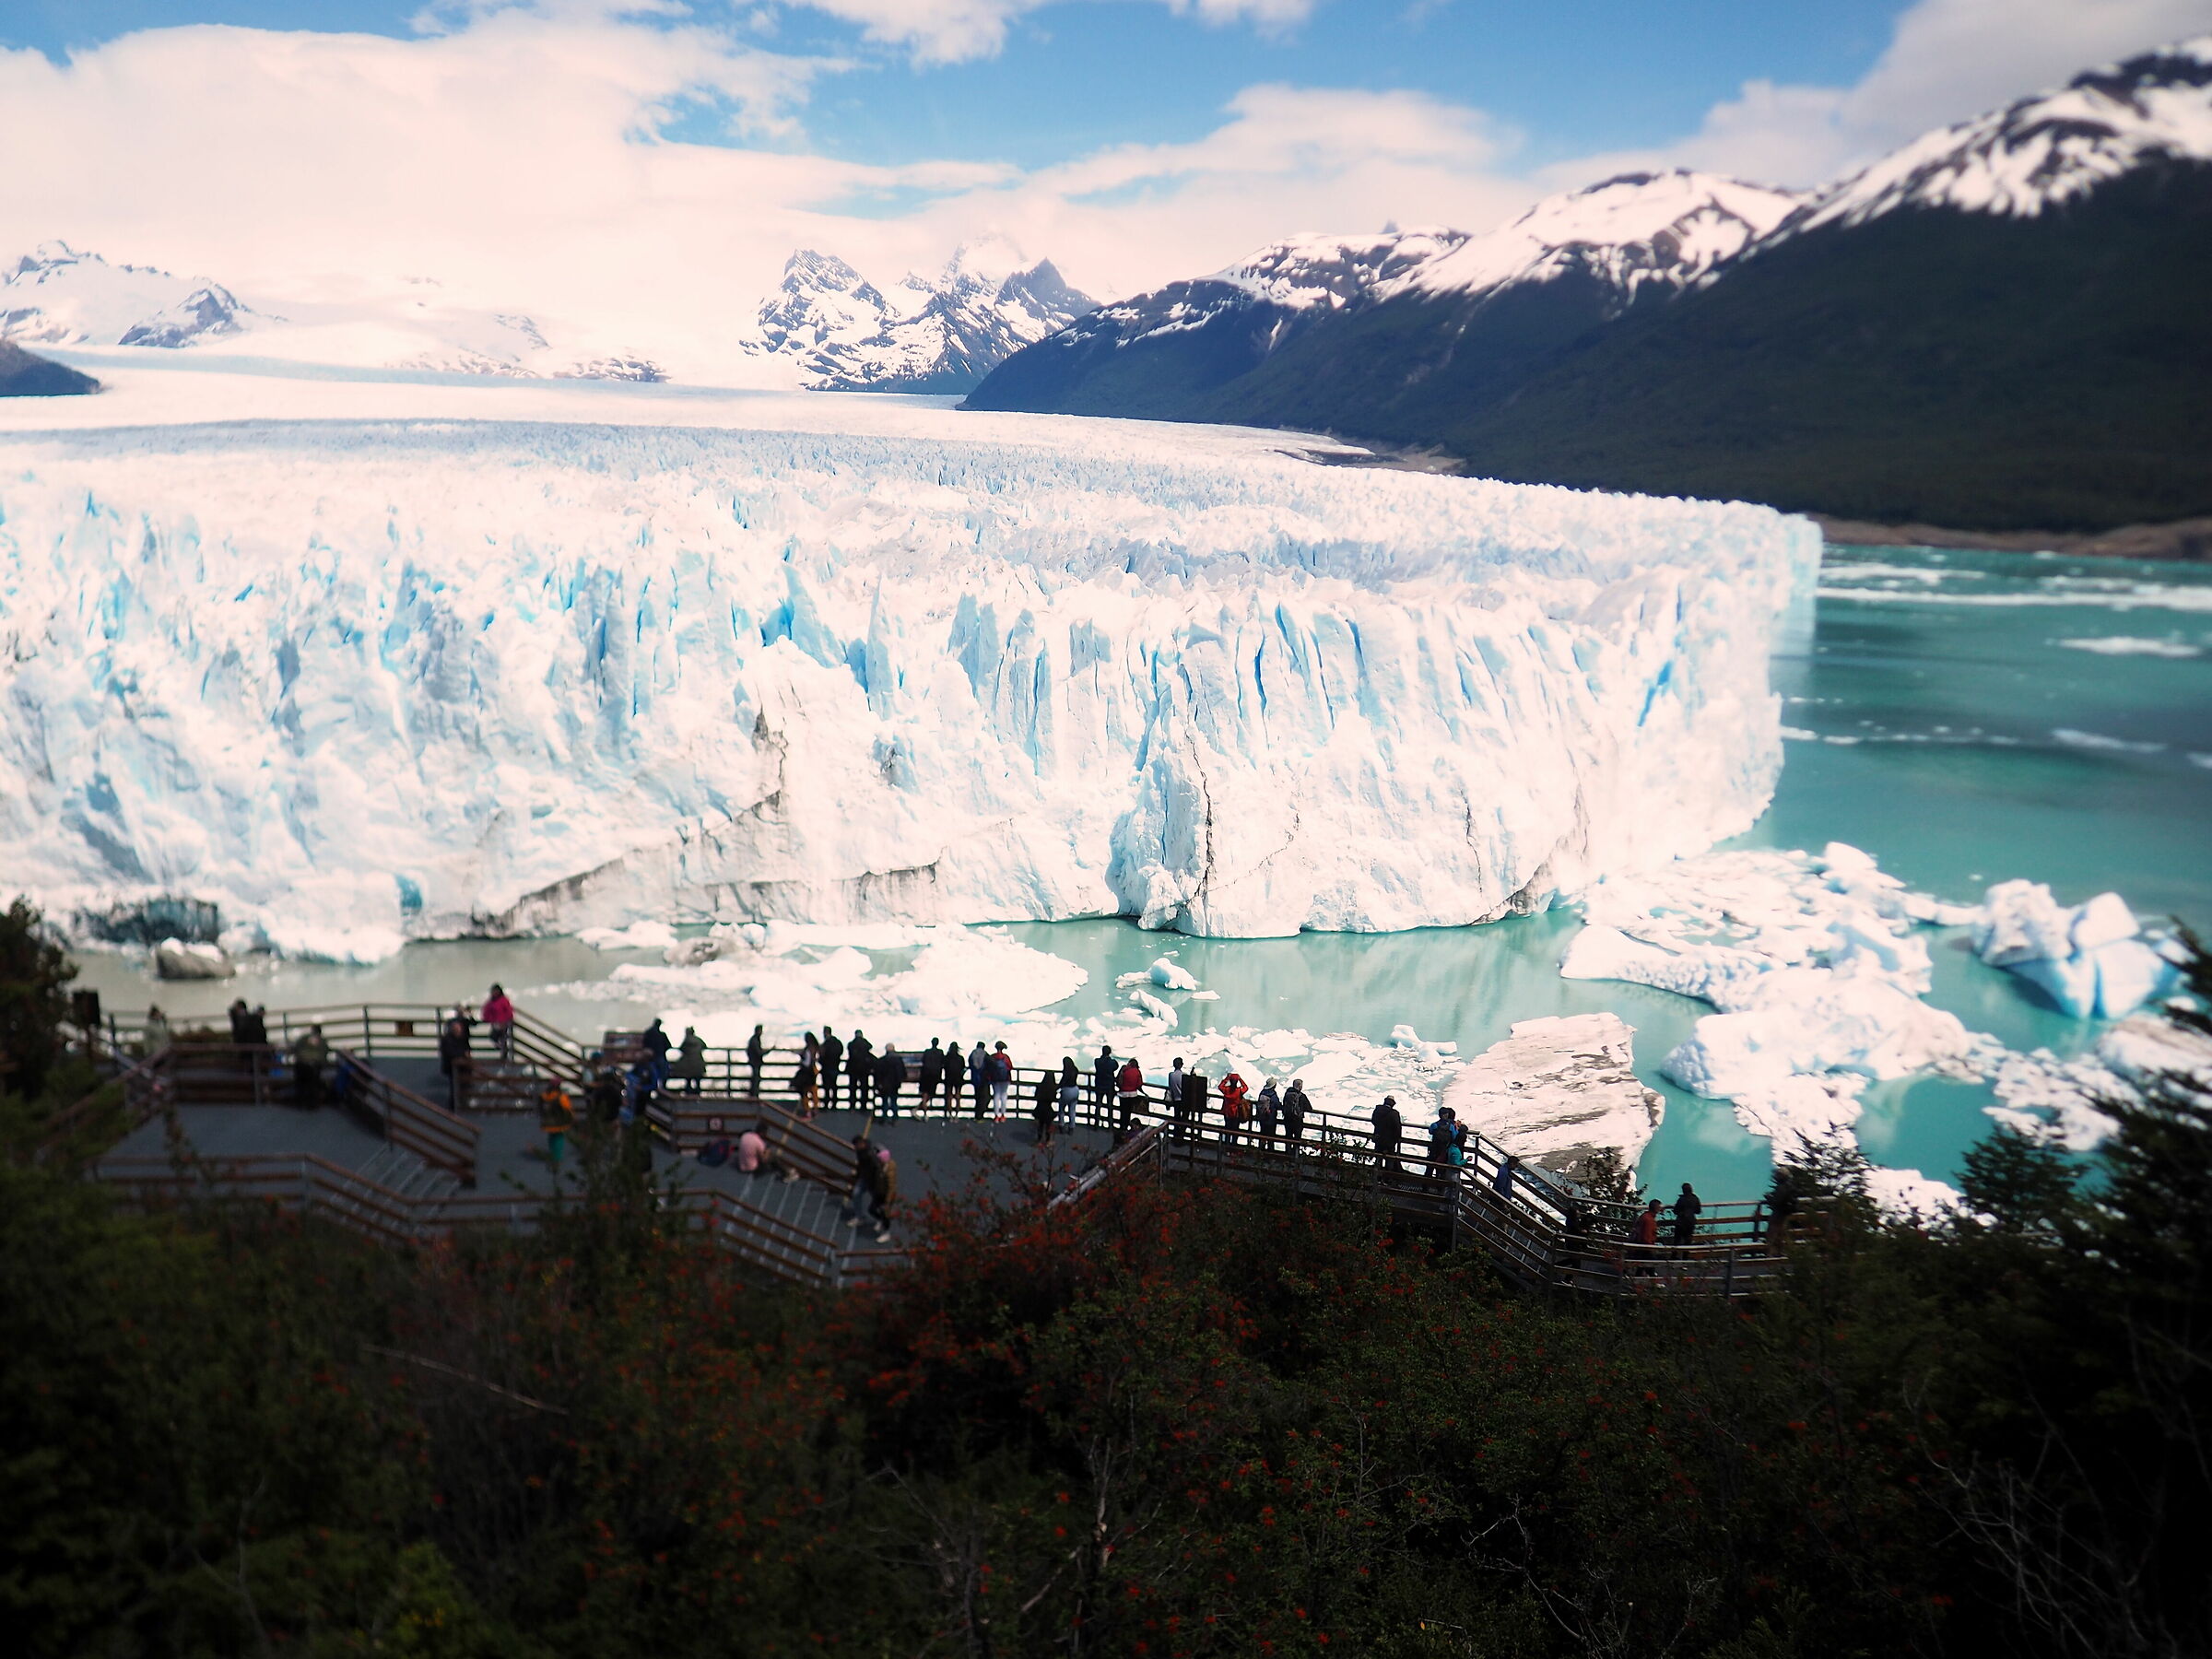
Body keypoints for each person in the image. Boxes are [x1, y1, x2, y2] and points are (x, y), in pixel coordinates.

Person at [844, 1133, 882, 1229]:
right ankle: (859, 1217)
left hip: (874, 1180)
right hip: (865, 1178)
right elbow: (861, 1166)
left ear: (861, 1143)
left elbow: (877, 1168)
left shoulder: (870, 1154)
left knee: (877, 1201)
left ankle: (881, 1220)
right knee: (856, 1194)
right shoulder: (860, 1152)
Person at [439, 1010, 472, 1111]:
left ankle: (461, 1102)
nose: (459, 1031)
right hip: (451, 1066)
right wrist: (463, 1054)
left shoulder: (460, 1038)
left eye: (460, 1030)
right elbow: (450, 1053)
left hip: (462, 1065)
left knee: (462, 1084)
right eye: (457, 1030)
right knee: (455, 1086)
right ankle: (453, 1105)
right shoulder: (447, 1040)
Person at [538, 1077, 574, 1170]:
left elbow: (540, 1108)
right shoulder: (561, 1097)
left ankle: (552, 1153)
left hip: (547, 1121)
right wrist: (572, 1118)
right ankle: (557, 1157)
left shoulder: (543, 1095)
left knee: (551, 1136)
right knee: (559, 1138)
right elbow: (567, 1109)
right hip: (559, 1122)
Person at [292, 1023, 329, 1109]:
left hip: (301, 1064)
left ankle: (300, 1103)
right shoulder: (322, 1041)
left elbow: (296, 1049)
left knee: (300, 1084)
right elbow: (324, 1055)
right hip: (314, 1066)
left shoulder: (303, 1039)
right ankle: (312, 1104)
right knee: (313, 1085)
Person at [1217, 1068, 1250, 1144]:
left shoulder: (1226, 1090)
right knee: (1235, 1131)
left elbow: (1220, 1086)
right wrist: (1240, 1079)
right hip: (1236, 1113)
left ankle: (1227, 1145)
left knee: (1227, 1130)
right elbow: (1246, 1087)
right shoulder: (1239, 1091)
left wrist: (1227, 1078)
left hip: (1227, 1112)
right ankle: (1233, 1146)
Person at [640, 1018, 673, 1093]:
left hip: (649, 1058)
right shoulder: (662, 1035)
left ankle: (649, 1090)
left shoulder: (648, 1033)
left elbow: (644, 1045)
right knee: (664, 1073)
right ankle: (662, 1090)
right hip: (660, 1056)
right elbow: (668, 1045)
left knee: (650, 1075)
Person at [483, 982, 514, 1061]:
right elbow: (486, 1011)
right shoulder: (491, 1001)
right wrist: (488, 1019)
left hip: (503, 1023)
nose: (494, 993)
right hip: (495, 1023)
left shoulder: (503, 1000)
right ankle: (502, 1050)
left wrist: (506, 1021)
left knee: (502, 1038)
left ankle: (504, 1055)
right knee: (493, 1037)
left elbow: (509, 1011)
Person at [673, 1026, 708, 1096]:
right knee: (697, 1081)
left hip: (688, 1064)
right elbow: (705, 1046)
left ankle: (688, 1095)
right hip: (698, 1063)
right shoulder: (698, 1040)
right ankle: (697, 1095)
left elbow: (681, 1049)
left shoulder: (686, 1041)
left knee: (688, 1080)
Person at [1115, 1054, 1146, 1135]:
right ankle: (1126, 1127)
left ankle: (1122, 1127)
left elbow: (1117, 1080)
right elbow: (1139, 1084)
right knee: (1128, 1111)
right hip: (1132, 1094)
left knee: (1122, 1111)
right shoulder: (1137, 1071)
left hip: (1123, 1094)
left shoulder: (1124, 1069)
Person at [1371, 1095, 1403, 1171]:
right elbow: (1397, 1128)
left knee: (1378, 1159)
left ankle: (1376, 1176)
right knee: (1389, 1160)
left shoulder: (1377, 1110)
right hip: (1389, 1142)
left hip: (1378, 1138)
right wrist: (1396, 1139)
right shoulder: (1394, 1114)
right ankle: (1386, 1178)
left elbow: (1374, 1121)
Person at [846, 1030, 875, 1112]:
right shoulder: (865, 1044)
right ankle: (863, 1107)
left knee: (852, 1089)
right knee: (864, 1089)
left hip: (853, 1069)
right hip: (864, 1069)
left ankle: (852, 1106)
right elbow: (870, 1046)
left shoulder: (851, 1044)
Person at [793, 1037, 820, 1117]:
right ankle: (815, 1108)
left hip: (806, 1074)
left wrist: (801, 1062)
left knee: (804, 1092)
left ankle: (807, 1110)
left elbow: (806, 1063)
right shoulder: (814, 1049)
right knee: (814, 1091)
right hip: (813, 1073)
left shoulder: (807, 1050)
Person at [1671, 1182, 1703, 1249]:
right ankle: (1685, 1257)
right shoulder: (1695, 1199)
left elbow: (1676, 1211)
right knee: (1688, 1241)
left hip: (1681, 1223)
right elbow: (1698, 1211)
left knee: (1677, 1240)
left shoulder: (1681, 1199)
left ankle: (1674, 1256)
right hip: (1691, 1222)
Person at [876, 1044, 905, 1115]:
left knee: (885, 1102)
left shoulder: (882, 1060)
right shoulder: (898, 1060)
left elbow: (878, 1074)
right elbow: (902, 1072)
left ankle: (884, 1117)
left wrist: (878, 1084)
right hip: (895, 1084)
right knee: (894, 1101)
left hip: (884, 1084)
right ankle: (895, 1118)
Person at [819, 1028, 844, 1109]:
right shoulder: (838, 1043)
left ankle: (826, 1104)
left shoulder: (825, 1044)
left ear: (825, 1033)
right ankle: (834, 1104)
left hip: (826, 1068)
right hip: (835, 1067)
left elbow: (822, 1056)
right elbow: (841, 1052)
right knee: (834, 1086)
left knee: (826, 1087)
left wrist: (821, 1062)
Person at [1281, 1077, 1309, 1147]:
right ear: (1299, 1086)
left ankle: (1287, 1153)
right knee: (1297, 1138)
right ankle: (1295, 1154)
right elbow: (1309, 1108)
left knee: (1288, 1137)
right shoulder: (1301, 1096)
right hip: (1297, 1120)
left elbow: (1284, 1104)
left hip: (1287, 1119)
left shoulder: (1287, 1094)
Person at [1032, 1071, 1057, 1147]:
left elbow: (1036, 1096)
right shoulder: (1053, 1088)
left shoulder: (1039, 1086)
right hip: (1048, 1109)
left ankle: (1039, 1141)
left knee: (1040, 1125)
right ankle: (1048, 1141)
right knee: (1048, 1125)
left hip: (1039, 1108)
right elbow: (1053, 1099)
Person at [919, 1038, 945, 1109]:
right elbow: (943, 1062)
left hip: (926, 1075)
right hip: (935, 1075)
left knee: (925, 1093)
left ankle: (923, 1111)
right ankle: (919, 1108)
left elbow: (923, 1061)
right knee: (931, 1093)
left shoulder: (927, 1052)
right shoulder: (940, 1052)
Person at [967, 1041, 991, 1119]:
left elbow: (970, 1064)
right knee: (985, 1097)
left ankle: (977, 1114)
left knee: (977, 1096)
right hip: (984, 1078)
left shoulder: (973, 1054)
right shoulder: (985, 1054)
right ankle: (980, 1115)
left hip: (975, 1078)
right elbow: (991, 1064)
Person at [990, 1041, 1013, 1121]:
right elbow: (1010, 1067)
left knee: (996, 1095)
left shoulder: (992, 1057)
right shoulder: (1006, 1057)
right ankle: (1003, 1115)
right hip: (1005, 1079)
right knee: (1004, 1096)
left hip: (995, 1079)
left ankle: (996, 1115)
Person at [1165, 1057, 1187, 1138]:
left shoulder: (1171, 1075)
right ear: (1181, 1065)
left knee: (1176, 1118)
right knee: (1184, 1119)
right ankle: (1181, 1135)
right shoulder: (1184, 1076)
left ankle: (1176, 1135)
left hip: (1175, 1099)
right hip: (1183, 1100)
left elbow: (1170, 1087)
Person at [1253, 1078, 1281, 1145]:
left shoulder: (1262, 1093)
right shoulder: (1272, 1094)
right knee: (1271, 1137)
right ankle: (1270, 1152)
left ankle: (1261, 1150)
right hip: (1270, 1118)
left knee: (1262, 1134)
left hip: (1262, 1117)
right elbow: (1277, 1105)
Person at [1059, 1057, 1082, 1132]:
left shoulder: (1066, 1072)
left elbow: (1062, 1083)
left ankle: (1061, 1125)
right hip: (1075, 1090)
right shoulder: (1075, 1069)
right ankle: (1071, 1127)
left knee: (1062, 1109)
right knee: (1072, 1110)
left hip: (1067, 1091)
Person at [1092, 1044, 1117, 1114]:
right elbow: (1116, 1067)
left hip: (1099, 1085)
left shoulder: (1097, 1061)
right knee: (1110, 1105)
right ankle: (1110, 1123)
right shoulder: (1112, 1062)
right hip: (1109, 1086)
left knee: (1098, 1104)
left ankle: (1096, 1122)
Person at [943, 1035, 966, 1110]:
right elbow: (963, 1068)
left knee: (949, 1096)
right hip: (958, 1078)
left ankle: (949, 1113)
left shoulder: (947, 1057)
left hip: (949, 1078)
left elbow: (944, 1066)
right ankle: (957, 1112)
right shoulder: (960, 1058)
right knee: (957, 1095)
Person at [746, 1024, 766, 1095]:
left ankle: (753, 1095)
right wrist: (770, 1050)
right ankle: (754, 1096)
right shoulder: (755, 1040)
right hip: (755, 1063)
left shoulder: (754, 1039)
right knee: (755, 1080)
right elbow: (759, 1053)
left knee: (755, 1080)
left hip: (754, 1062)